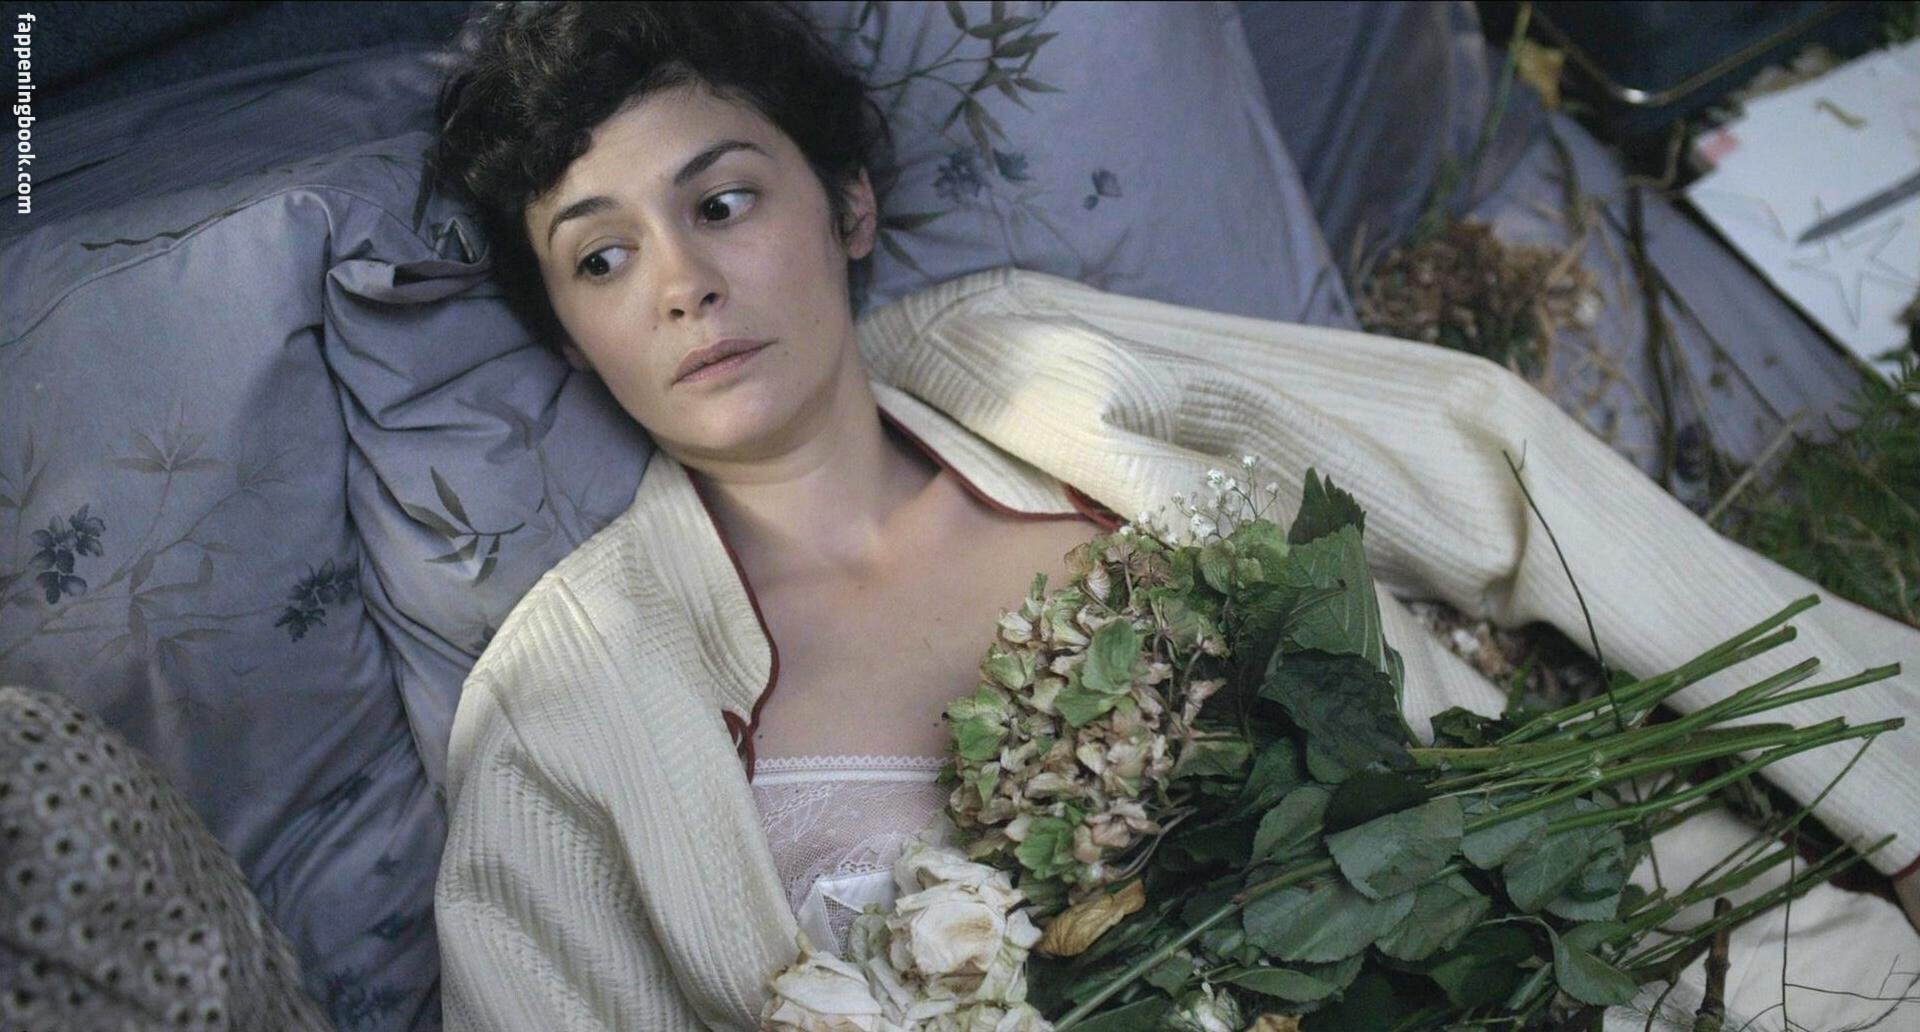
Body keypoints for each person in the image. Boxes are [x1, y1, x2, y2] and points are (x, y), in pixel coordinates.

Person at [426, 3, 1920, 1030]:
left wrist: (1902, 799)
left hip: (1635, 968)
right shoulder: (568, 707)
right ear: (570, 336)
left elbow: (1496, 469)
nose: (683, 284)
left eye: (724, 203)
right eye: (601, 259)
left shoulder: (1031, 370)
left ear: (850, 208)